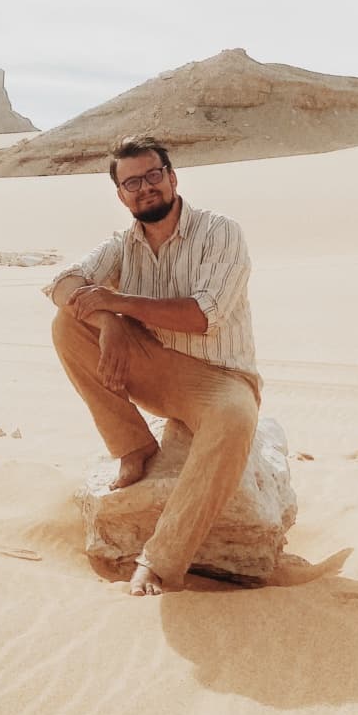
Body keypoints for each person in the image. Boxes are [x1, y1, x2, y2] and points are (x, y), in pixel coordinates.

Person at [44, 134, 261, 596]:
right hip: (155, 368)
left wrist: (120, 303)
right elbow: (63, 284)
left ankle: (160, 564)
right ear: (121, 196)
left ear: (173, 178)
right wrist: (109, 322)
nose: (145, 188)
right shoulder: (122, 245)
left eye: (153, 175)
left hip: (219, 377)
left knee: (235, 418)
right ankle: (133, 446)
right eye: (132, 183)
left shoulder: (219, 232)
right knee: (67, 325)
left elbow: (204, 315)